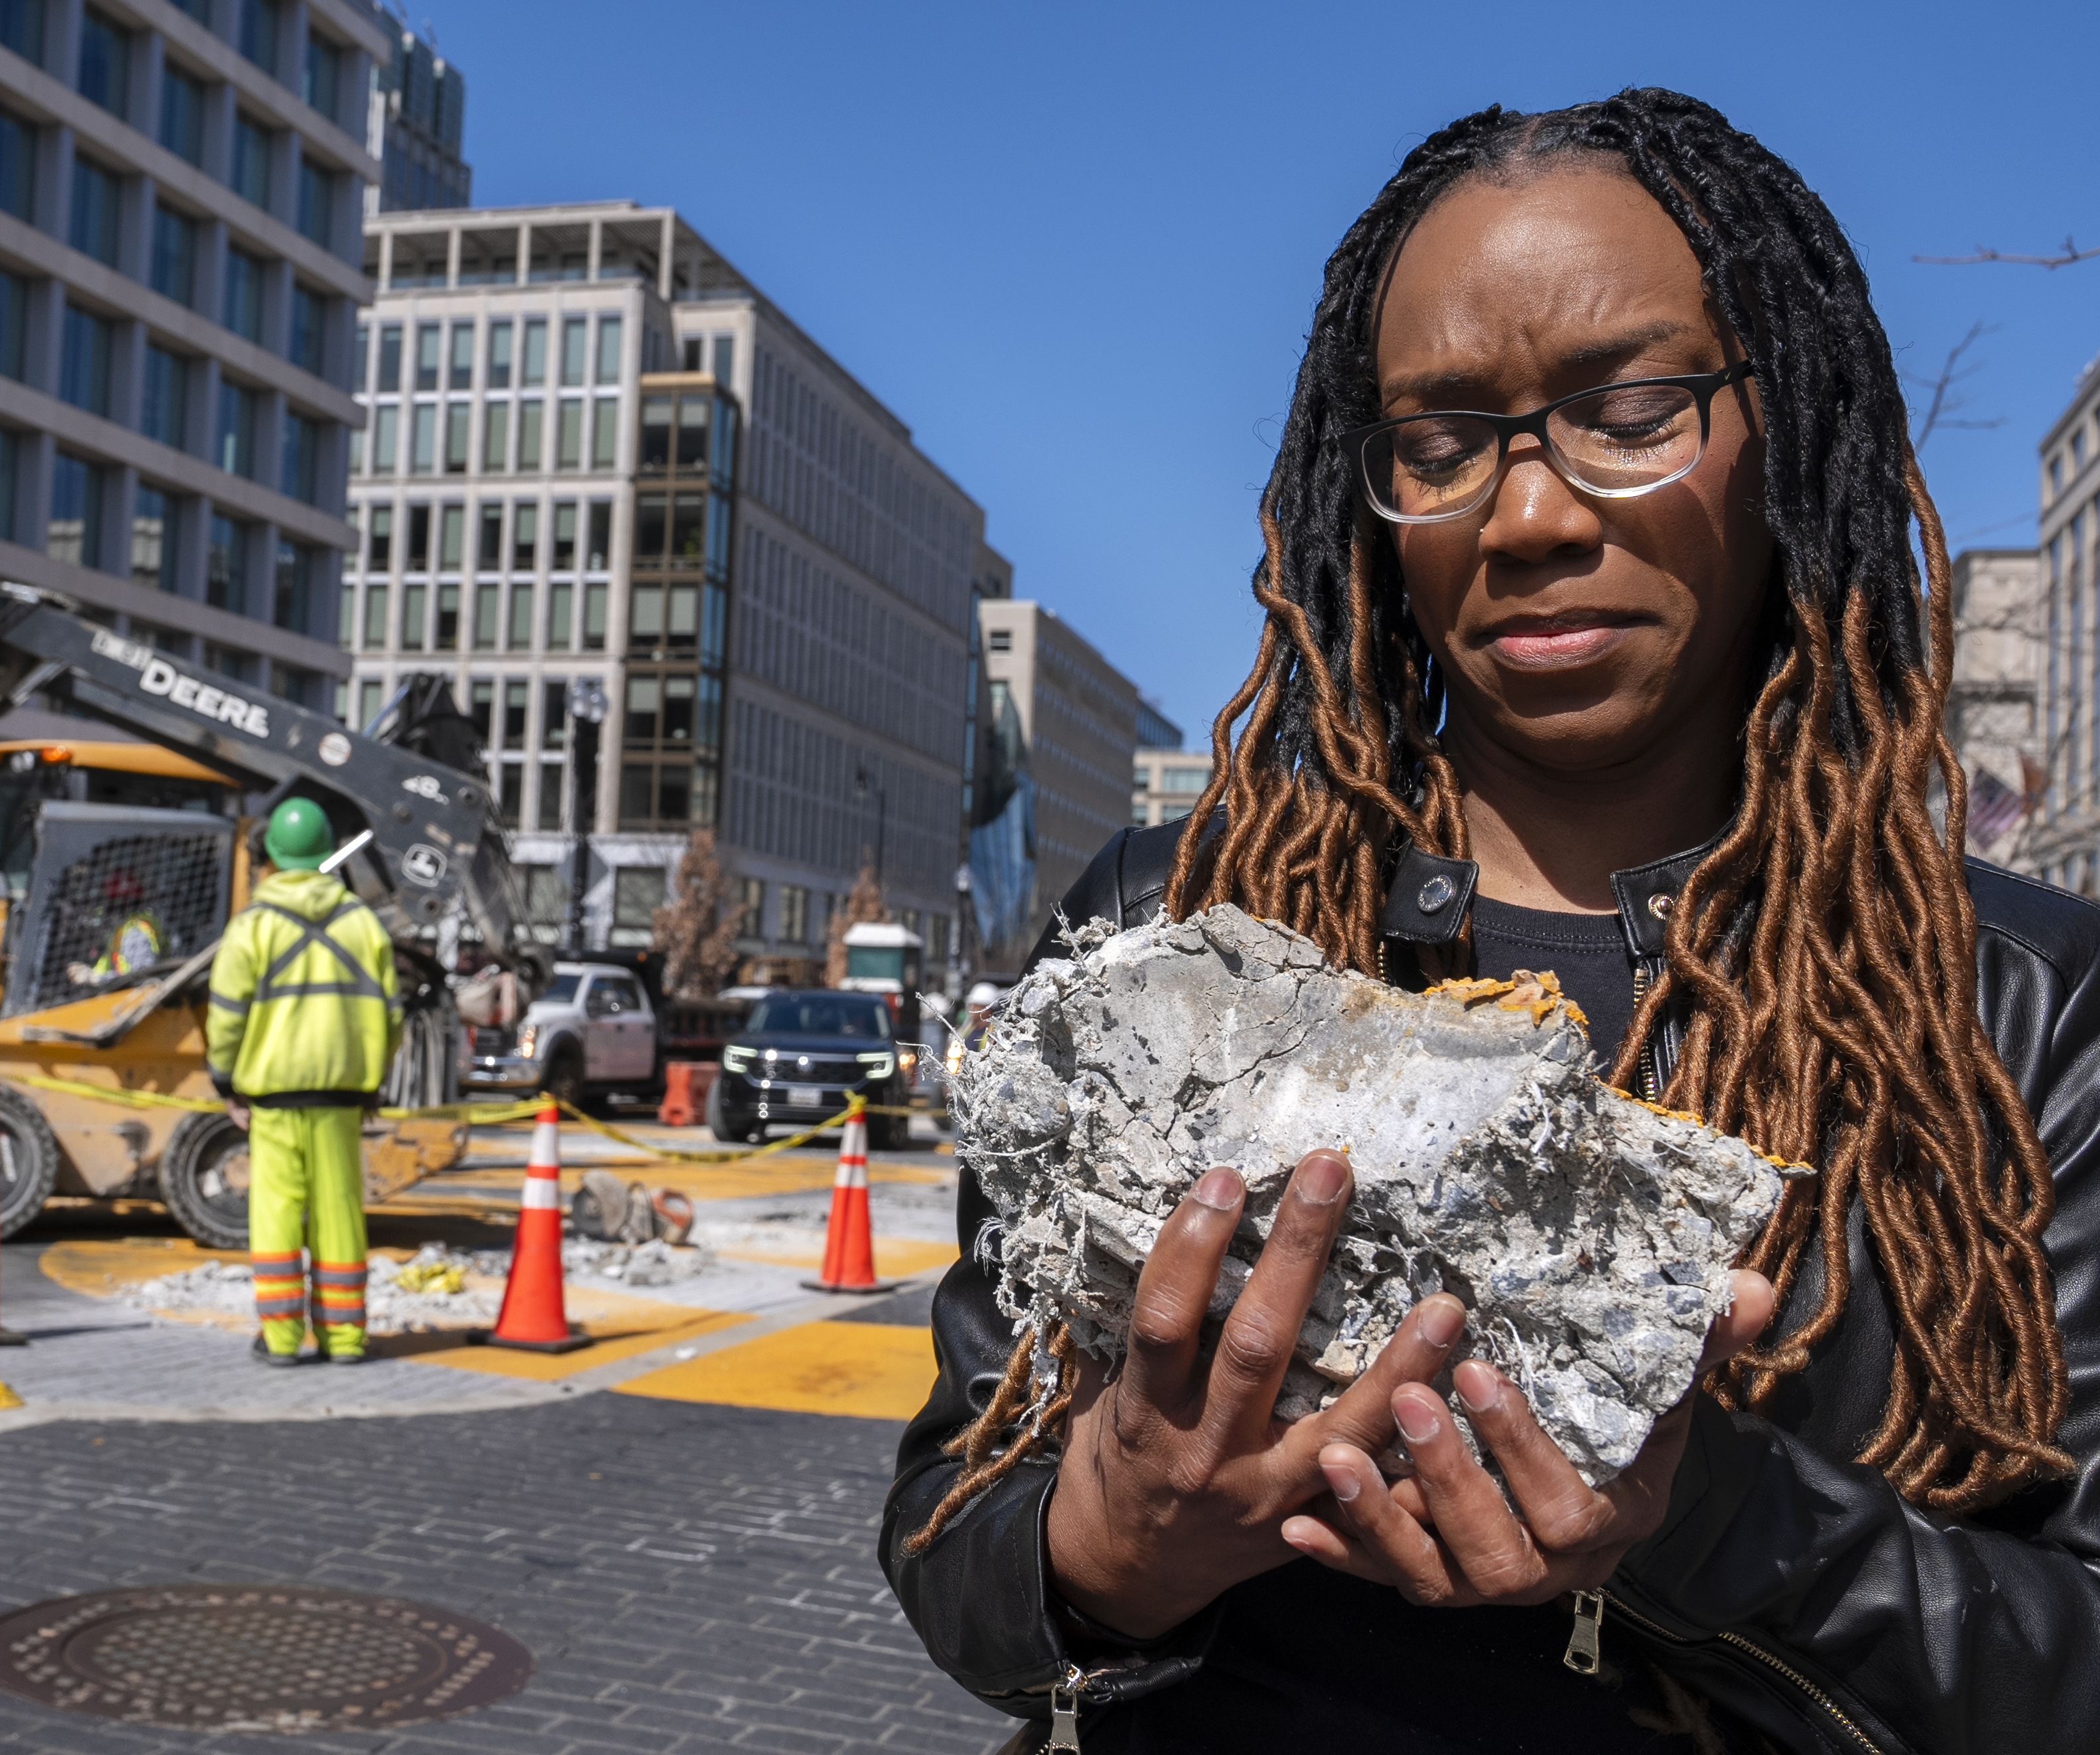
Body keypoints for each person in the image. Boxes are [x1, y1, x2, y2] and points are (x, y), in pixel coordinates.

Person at [884, 91, 2100, 1754]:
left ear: (1789, 427)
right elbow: (956, 1537)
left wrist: (1695, 1517)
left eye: (1627, 408)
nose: (1527, 516)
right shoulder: (1178, 929)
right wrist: (1107, 1545)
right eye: (1442, 441)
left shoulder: (2020, 1006)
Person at [205, 797, 399, 1366]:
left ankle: (283, 1339)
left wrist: (225, 1081)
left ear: (271, 854)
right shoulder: (364, 924)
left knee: (277, 1213)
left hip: (273, 1098)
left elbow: (226, 1017)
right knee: (340, 1211)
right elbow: (391, 1017)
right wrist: (372, 1082)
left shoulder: (252, 929)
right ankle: (344, 1339)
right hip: (342, 1097)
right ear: (325, 852)